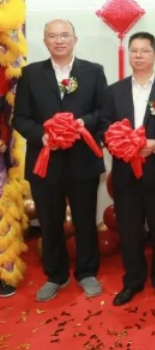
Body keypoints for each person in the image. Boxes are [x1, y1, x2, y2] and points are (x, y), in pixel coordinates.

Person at [12, 20, 108, 300]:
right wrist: (42, 135)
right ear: (45, 42)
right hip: (45, 161)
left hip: (82, 161)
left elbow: (103, 112)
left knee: (85, 220)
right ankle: (56, 275)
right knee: (50, 222)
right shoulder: (31, 74)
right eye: (52, 36)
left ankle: (87, 272)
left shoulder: (93, 71)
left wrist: (81, 123)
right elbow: (20, 118)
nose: (59, 40)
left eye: (65, 35)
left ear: (75, 39)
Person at [100, 31, 155, 306]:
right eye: (134, 50)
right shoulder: (114, 91)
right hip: (125, 174)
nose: (138, 55)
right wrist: (118, 143)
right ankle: (132, 280)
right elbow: (104, 126)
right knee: (129, 231)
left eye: (145, 51)